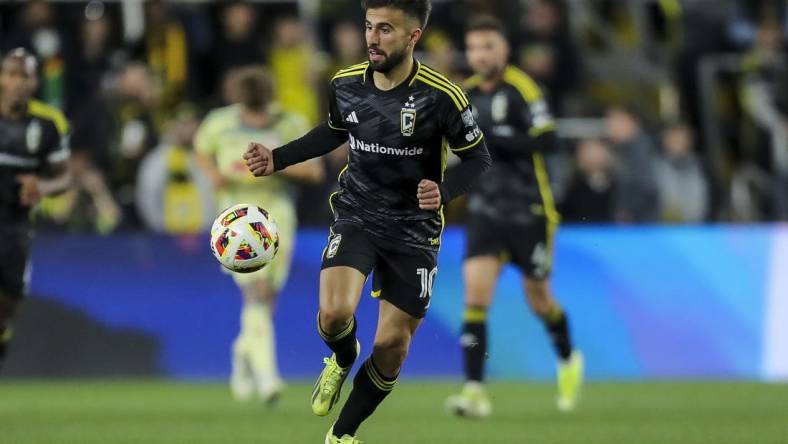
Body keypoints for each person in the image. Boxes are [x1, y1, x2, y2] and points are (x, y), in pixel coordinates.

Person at [243, 1, 491, 441]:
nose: (372, 39)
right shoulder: (345, 83)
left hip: (414, 231)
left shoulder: (442, 96)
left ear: (413, 37)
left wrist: (445, 190)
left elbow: (478, 159)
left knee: (392, 349)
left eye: (385, 30)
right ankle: (341, 358)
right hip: (357, 214)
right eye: (368, 27)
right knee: (335, 313)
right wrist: (277, 157)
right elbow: (334, 129)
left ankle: (342, 434)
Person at [444, 16, 583, 418]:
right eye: (473, 48)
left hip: (529, 209)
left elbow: (549, 139)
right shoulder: (462, 95)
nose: (480, 55)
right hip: (485, 211)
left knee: (538, 300)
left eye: (488, 46)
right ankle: (474, 391)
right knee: (475, 299)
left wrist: (496, 139)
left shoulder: (523, 88)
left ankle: (568, 357)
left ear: (504, 51)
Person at [194, 66, 324, 403]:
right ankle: (268, 377)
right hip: (234, 218)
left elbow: (313, 171)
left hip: (277, 212)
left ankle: (243, 354)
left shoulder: (288, 123)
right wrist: (215, 176)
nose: (257, 115)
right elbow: (201, 151)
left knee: (267, 299)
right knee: (256, 290)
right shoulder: (219, 123)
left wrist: (276, 164)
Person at [0, 48, 71, 369]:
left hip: (15, 225)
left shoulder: (48, 124)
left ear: (35, 81)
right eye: (11, 74)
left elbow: (64, 178)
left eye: (24, 76)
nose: (17, 82)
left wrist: (41, 187)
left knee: (8, 305)